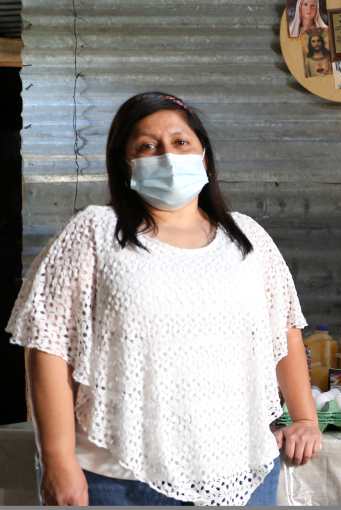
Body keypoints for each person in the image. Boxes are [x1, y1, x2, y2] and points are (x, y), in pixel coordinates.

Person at [6, 92, 322, 505]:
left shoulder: (248, 238)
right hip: (119, 479)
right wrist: (58, 461)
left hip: (245, 474)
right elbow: (48, 347)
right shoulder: (94, 233)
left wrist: (304, 418)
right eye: (146, 146)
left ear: (203, 155)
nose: (167, 156)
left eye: (180, 142)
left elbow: (285, 333)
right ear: (126, 163)